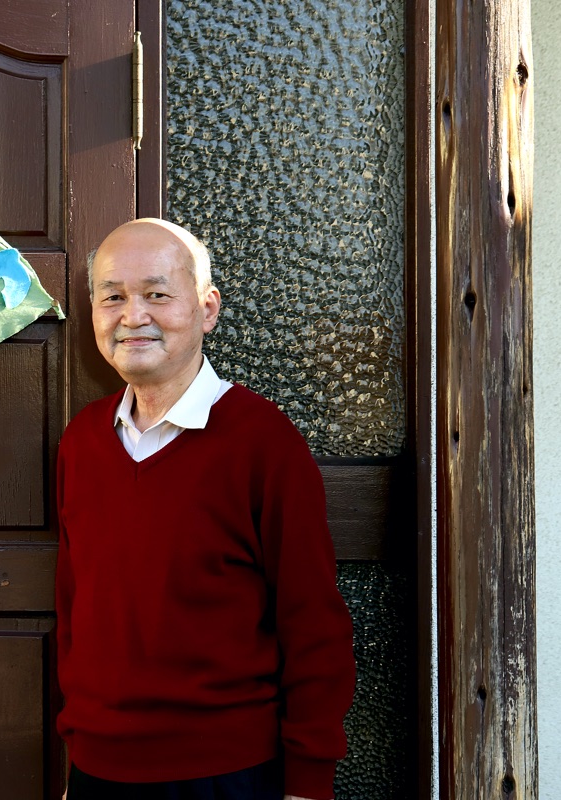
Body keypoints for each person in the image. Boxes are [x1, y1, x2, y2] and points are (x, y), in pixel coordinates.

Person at [55, 219, 356, 800]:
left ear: (208, 308)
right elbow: (75, 610)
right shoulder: (83, 441)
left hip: (226, 772)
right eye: (112, 296)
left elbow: (312, 622)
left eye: (157, 294)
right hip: (98, 769)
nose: (132, 315)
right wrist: (77, 755)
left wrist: (309, 781)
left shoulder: (263, 443)